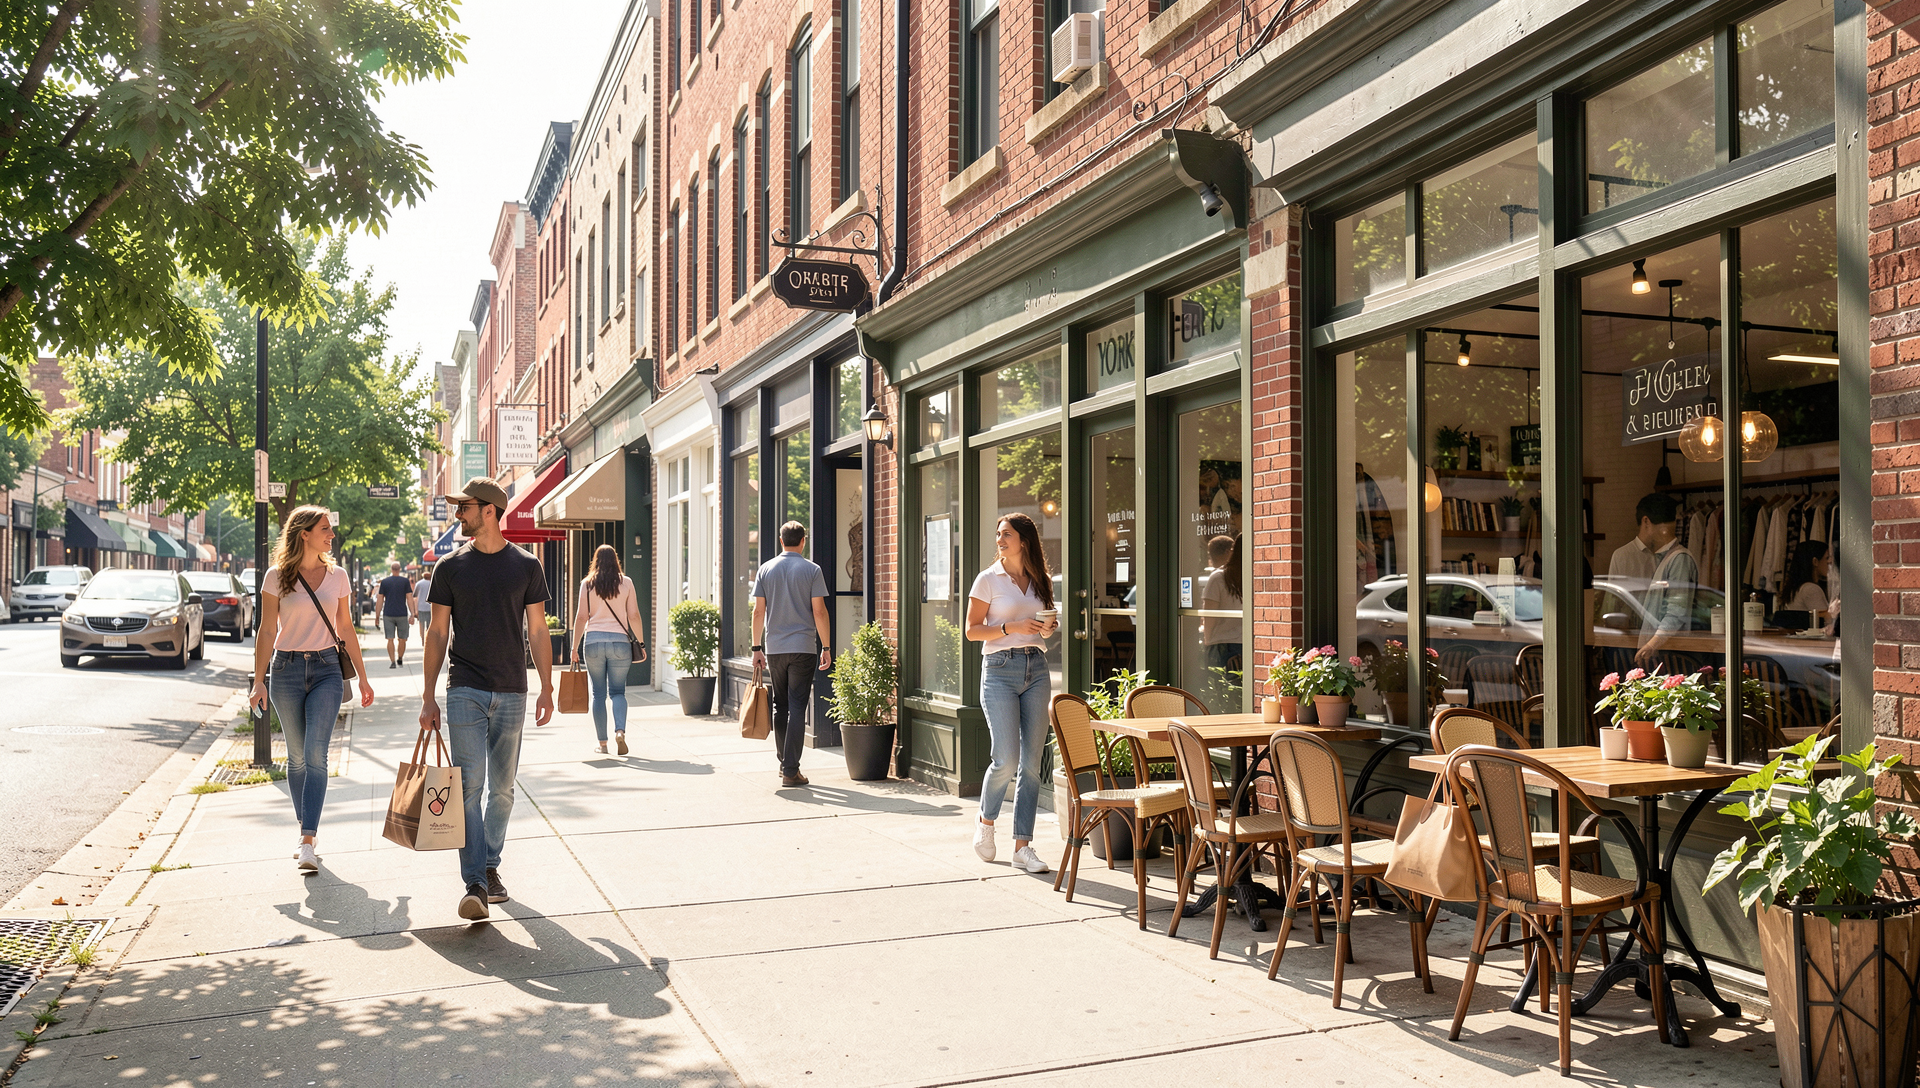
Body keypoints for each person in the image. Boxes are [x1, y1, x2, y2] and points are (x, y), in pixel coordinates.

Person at [420, 477, 554, 921]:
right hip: (464, 688)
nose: (459, 515)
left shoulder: (526, 565)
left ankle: (491, 864)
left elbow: (537, 629)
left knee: (503, 791)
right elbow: (437, 632)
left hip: (513, 689)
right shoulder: (450, 568)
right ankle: (475, 881)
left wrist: (548, 686)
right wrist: (427, 696)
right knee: (469, 787)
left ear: (491, 511)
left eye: (466, 508)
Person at [248, 505, 375, 872]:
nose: (331, 535)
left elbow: (346, 628)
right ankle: (306, 830)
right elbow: (267, 631)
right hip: (285, 669)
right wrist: (258, 681)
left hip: (326, 670)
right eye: (325, 529)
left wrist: (363, 678)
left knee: (316, 754)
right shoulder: (276, 577)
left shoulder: (337, 576)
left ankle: (307, 839)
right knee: (297, 756)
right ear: (304, 533)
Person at [966, 513, 1059, 875]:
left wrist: (1048, 626)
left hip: (1036, 667)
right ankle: (986, 824)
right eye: (998, 533)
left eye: (1006, 534)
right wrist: (1010, 627)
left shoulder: (1040, 579)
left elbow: (1047, 627)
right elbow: (973, 631)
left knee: (1032, 766)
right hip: (1000, 671)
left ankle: (1023, 846)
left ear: (1024, 540)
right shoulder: (988, 580)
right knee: (1005, 759)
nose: (999, 539)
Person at [750, 521, 832, 788]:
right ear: (803, 541)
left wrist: (756, 648)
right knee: (797, 706)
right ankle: (790, 769)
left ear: (780, 540)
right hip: (803, 647)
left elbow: (758, 612)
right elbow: (819, 611)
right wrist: (827, 647)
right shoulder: (812, 570)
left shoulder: (766, 569)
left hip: (775, 649)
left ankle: (784, 762)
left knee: (780, 706)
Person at [571, 544, 649, 755]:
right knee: (618, 692)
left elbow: (580, 617)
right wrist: (640, 643)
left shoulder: (586, 584)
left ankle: (603, 744)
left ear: (595, 560)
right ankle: (620, 731)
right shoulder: (627, 583)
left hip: (593, 642)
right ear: (616, 560)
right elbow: (634, 615)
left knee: (598, 694)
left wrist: (574, 647)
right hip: (620, 644)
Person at [1617, 493, 1700, 667]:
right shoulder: (1666, 558)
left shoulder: (1679, 559)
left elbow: (1677, 611)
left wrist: (1652, 644)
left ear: (1646, 521)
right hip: (1664, 655)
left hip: (1671, 656)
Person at [1200, 534, 1243, 693]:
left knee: (1221, 692)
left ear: (1233, 550)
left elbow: (1209, 614)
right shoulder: (1253, 576)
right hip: (1246, 643)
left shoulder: (1219, 577)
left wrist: (1207, 641)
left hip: (1222, 644)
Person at [377, 561, 415, 669]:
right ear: (399, 569)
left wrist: (377, 616)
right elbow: (409, 598)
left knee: (390, 639)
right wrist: (412, 613)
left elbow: (380, 600)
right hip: (402, 613)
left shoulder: (384, 582)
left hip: (388, 614)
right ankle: (400, 658)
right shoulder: (405, 582)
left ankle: (392, 661)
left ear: (391, 569)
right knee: (402, 639)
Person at [1782, 540, 1832, 614]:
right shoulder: (1811, 589)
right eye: (1827, 558)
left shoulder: (1797, 588)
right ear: (1815, 562)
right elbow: (1827, 620)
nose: (1829, 562)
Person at [414, 566, 434, 642]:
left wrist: (415, 610)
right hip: (430, 608)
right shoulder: (432, 584)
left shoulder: (418, 584)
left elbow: (415, 597)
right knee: (429, 624)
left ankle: (422, 638)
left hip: (421, 607)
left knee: (421, 623)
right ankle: (428, 639)